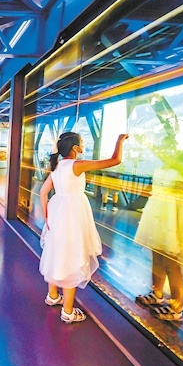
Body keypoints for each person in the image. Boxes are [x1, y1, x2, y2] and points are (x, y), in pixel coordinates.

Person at [39, 132, 128, 324]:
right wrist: (119, 141)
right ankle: (68, 312)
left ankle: (53, 296)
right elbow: (115, 160)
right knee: (71, 257)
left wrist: (46, 216)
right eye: (82, 142)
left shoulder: (57, 166)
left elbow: (43, 192)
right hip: (73, 216)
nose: (84, 145)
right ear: (75, 148)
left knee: (56, 253)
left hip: (57, 213)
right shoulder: (77, 165)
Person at [134, 138, 183, 322]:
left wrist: (149, 144)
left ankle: (177, 304)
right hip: (158, 211)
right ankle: (157, 292)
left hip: (174, 215)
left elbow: (172, 163)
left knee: (171, 261)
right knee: (157, 254)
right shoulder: (168, 164)